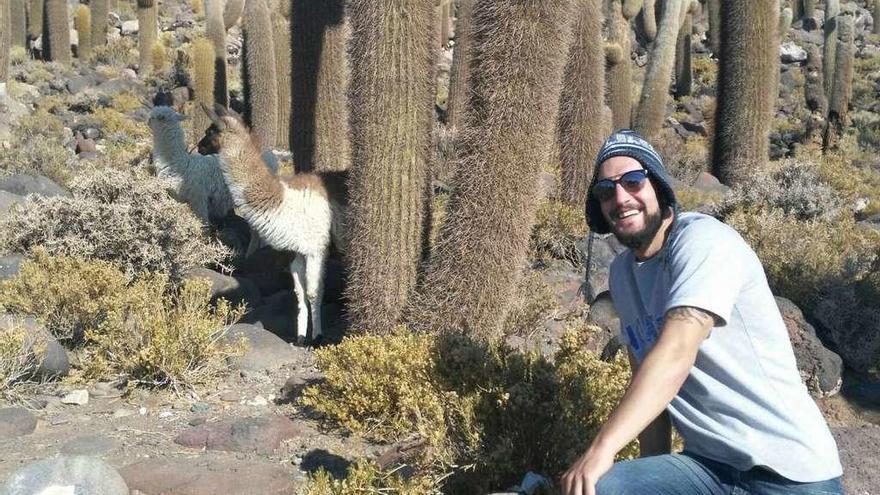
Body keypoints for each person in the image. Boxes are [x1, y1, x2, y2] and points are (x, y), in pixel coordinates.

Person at [561, 130, 843, 495]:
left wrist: (601, 449)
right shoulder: (622, 275)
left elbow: (675, 354)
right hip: (708, 468)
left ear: (659, 187)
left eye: (633, 181)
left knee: (599, 468)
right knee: (604, 487)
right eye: (605, 190)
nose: (620, 197)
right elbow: (647, 382)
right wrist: (649, 471)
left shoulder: (704, 242)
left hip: (788, 471)